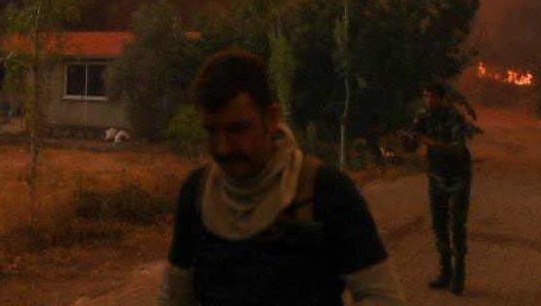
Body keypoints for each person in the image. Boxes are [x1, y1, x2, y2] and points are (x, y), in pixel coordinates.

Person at [158, 51, 405, 306]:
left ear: (271, 118)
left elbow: (383, 297)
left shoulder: (325, 190)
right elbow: (173, 297)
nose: (223, 148)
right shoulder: (197, 193)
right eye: (211, 131)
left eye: (237, 130)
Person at [412, 81, 477, 295]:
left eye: (433, 97)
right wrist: (408, 138)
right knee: (439, 225)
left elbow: (459, 148)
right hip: (436, 176)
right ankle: (445, 271)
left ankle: (459, 274)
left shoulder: (454, 117)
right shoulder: (423, 116)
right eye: (426, 96)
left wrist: (430, 142)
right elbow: (413, 142)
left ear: (442, 98)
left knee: (457, 225)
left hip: (458, 176)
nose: (430, 101)